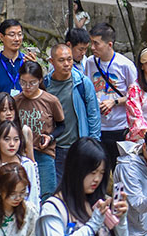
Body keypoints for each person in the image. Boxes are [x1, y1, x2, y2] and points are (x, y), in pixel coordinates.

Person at [43, 43, 102, 185]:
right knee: (56, 190)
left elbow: (93, 115)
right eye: (61, 60)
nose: (67, 64)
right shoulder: (45, 85)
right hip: (54, 148)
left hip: (78, 146)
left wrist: (93, 145)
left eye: (69, 59)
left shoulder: (82, 82)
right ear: (52, 62)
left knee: (79, 189)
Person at [85, 23, 138, 172]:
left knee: (121, 170)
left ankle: (119, 196)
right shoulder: (90, 62)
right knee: (98, 168)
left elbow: (135, 97)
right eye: (91, 42)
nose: (92, 47)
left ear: (109, 44)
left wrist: (114, 102)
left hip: (120, 127)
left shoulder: (125, 65)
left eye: (96, 43)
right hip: (98, 127)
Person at [16, 61, 66, 199]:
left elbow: (61, 126)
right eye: (23, 82)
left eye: (32, 83)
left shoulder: (50, 101)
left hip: (44, 153)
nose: (27, 87)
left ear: (40, 80)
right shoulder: (15, 101)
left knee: (46, 195)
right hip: (20, 154)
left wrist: (50, 137)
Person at [0, 19, 36, 122]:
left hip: (25, 119)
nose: (17, 39)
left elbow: (38, 92)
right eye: (12, 35)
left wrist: (34, 69)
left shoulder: (28, 63)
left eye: (20, 34)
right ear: (1, 37)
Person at [0, 118, 41, 213]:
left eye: (16, 139)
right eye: (6, 139)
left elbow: (33, 195)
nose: (12, 144)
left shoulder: (27, 165)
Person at [0, 91, 36, 158]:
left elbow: (31, 159)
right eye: (4, 110)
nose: (9, 113)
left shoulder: (24, 131)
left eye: (11, 109)